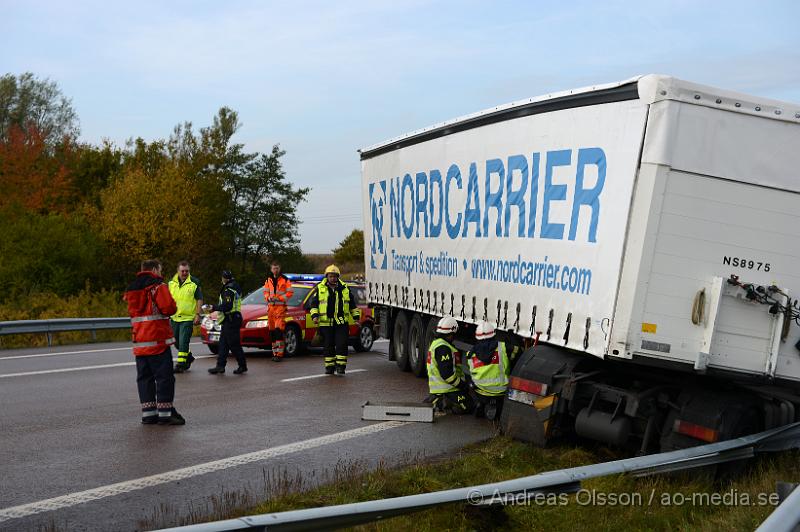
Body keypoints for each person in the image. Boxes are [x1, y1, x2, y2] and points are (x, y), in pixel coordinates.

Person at [124, 259, 185, 425]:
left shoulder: (132, 288)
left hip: (140, 343)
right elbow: (169, 308)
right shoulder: (158, 286)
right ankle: (165, 414)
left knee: (145, 378)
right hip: (157, 341)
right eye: (160, 270)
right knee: (164, 377)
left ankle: (149, 414)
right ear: (155, 269)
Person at [465, 321, 519, 420]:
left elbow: (472, 372)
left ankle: (479, 404)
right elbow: (516, 350)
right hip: (501, 391)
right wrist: (511, 337)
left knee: (469, 381)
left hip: (481, 390)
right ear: (494, 335)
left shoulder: (470, 354)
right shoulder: (503, 347)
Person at [308, 265, 357, 375]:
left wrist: (356, 317)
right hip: (326, 323)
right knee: (328, 346)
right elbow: (314, 304)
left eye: (335, 276)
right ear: (327, 276)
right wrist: (315, 316)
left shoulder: (345, 288)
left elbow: (352, 305)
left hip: (341, 322)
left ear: (338, 277)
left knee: (342, 344)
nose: (333, 278)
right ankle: (329, 367)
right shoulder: (320, 288)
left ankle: (341, 367)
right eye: (331, 276)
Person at [426, 316, 473, 414]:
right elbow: (447, 375)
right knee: (468, 406)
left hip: (442, 389)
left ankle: (437, 400)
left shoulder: (437, 344)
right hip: (447, 390)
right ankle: (441, 402)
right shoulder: (443, 348)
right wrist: (463, 385)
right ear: (451, 333)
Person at [205, 270, 247, 375]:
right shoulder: (234, 286)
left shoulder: (229, 289)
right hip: (230, 319)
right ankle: (220, 366)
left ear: (224, 278)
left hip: (231, 319)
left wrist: (213, 307)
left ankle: (242, 366)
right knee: (223, 344)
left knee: (234, 344)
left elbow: (227, 306)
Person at [168, 260, 203, 373]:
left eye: (187, 271)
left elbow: (199, 299)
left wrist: (198, 314)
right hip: (174, 317)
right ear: (178, 271)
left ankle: (181, 364)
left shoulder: (194, 282)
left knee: (183, 342)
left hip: (188, 318)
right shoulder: (171, 283)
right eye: (182, 271)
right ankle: (189, 357)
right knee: (176, 342)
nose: (184, 273)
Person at [263, 260, 293, 362]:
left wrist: (279, 298)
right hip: (271, 308)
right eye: (273, 268)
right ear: (271, 269)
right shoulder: (268, 280)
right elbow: (265, 292)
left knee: (278, 330)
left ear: (279, 269)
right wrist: (268, 298)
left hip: (280, 308)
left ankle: (279, 354)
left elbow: (289, 293)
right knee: (272, 332)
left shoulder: (285, 280)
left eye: (277, 268)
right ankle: (274, 353)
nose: (275, 270)